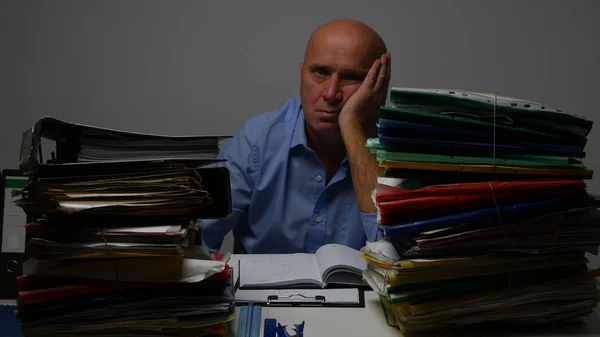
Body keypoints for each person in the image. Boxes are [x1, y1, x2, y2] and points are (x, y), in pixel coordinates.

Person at [202, 19, 391, 254]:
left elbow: (391, 256)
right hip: (257, 291)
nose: (331, 94)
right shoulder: (255, 143)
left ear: (378, 87)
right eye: (320, 72)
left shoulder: (400, 154)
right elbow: (193, 240)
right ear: (302, 73)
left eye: (351, 77)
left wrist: (352, 126)